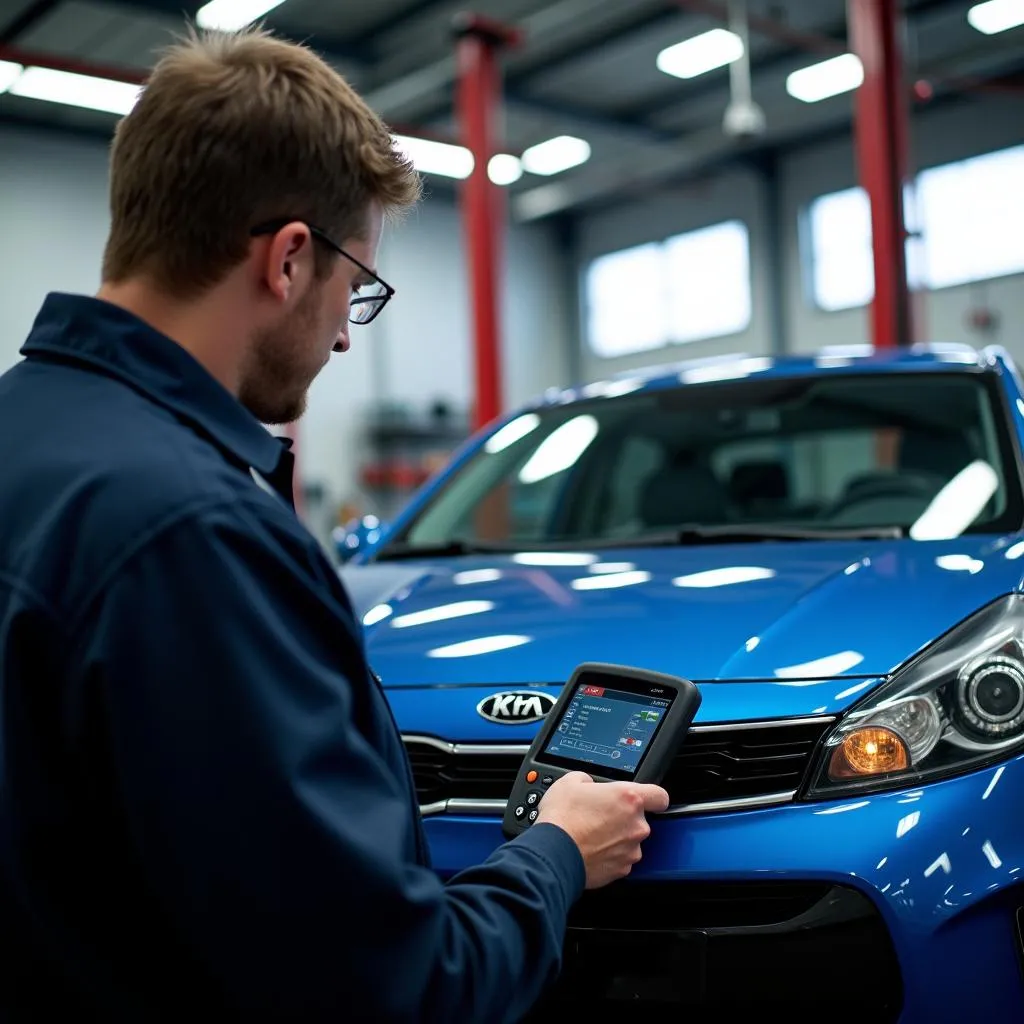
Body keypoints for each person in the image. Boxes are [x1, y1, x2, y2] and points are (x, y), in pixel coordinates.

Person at [0, 26, 669, 1023]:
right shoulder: (193, 532)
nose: (346, 333)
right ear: (289, 259)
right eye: (355, 289)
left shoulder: (23, 432)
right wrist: (553, 853)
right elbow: (395, 990)